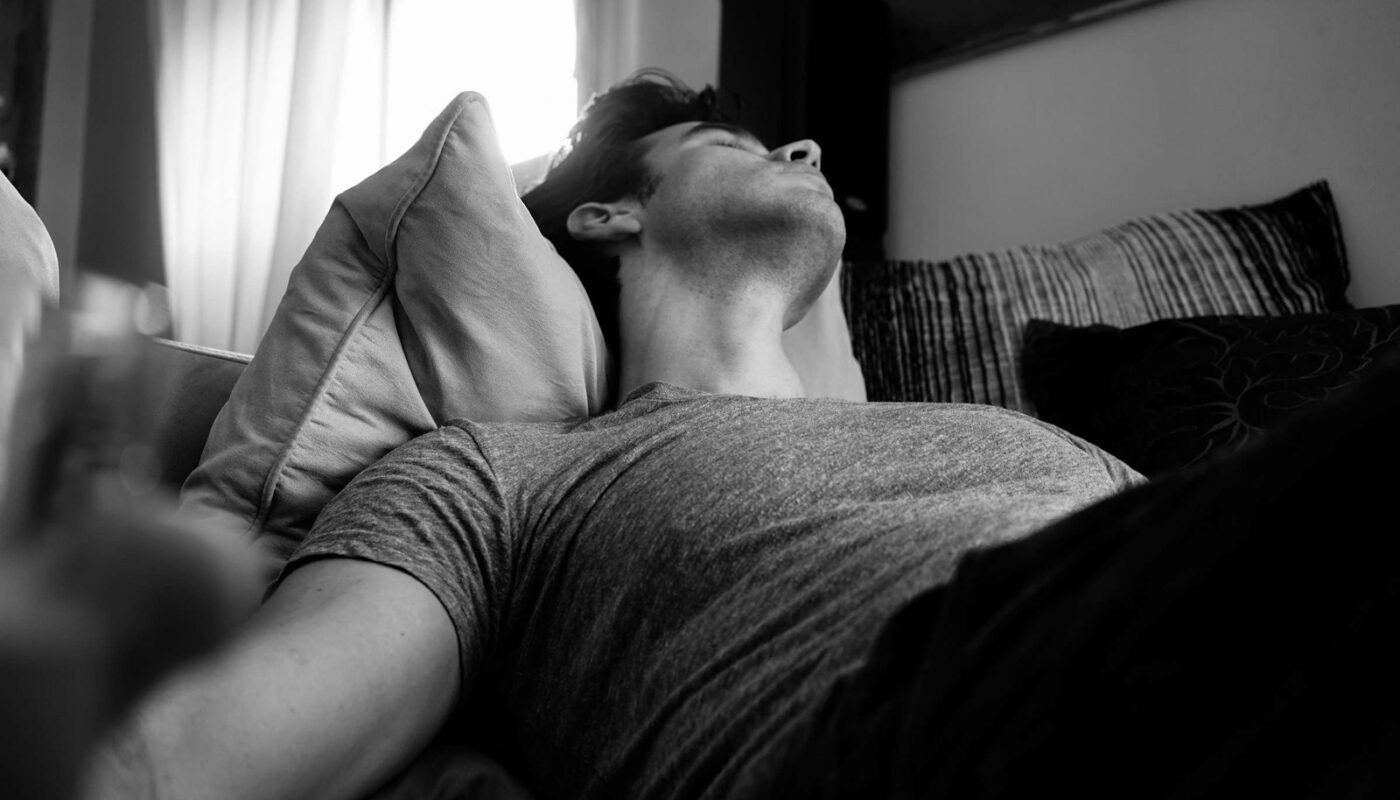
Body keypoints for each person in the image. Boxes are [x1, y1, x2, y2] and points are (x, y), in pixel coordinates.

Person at [78, 71, 1400, 800]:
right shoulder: (502, 476)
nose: (810, 144)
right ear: (608, 218)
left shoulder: (1011, 431)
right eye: (736, 138)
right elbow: (192, 767)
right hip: (925, 728)